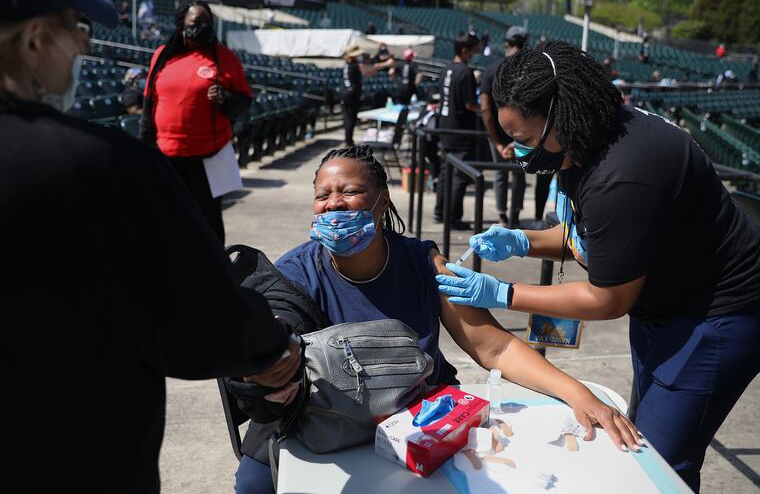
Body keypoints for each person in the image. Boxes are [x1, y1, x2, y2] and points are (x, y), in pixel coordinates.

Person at [0, 0, 300, 491]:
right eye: (76, 27)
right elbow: (199, 321)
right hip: (71, 456)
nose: (83, 45)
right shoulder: (104, 168)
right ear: (34, 41)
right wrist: (269, 348)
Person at [436, 41, 760, 492]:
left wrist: (504, 293)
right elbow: (591, 240)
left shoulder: (622, 174)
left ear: (561, 117)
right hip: (663, 304)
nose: (520, 153)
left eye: (526, 140)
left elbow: (608, 297)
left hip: (714, 317)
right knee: (638, 434)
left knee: (660, 465)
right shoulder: (583, 140)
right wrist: (522, 242)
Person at [234, 145, 642, 494]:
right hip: (324, 425)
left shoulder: (423, 262)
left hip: (420, 421)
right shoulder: (293, 275)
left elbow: (494, 346)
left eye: (351, 191)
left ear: (382, 203)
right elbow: (271, 335)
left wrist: (578, 395)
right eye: (323, 195)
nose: (334, 203)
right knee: (254, 483)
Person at [140, 0, 253, 244]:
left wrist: (225, 99)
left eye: (206, 24)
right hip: (167, 155)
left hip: (208, 157)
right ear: (181, 25)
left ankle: (211, 274)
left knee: (207, 221)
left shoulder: (225, 58)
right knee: (168, 217)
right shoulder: (163, 55)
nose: (201, 28)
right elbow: (149, 102)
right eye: (194, 24)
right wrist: (145, 144)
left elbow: (244, 101)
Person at [481, 26, 552, 229]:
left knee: (501, 175)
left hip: (500, 134)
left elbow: (485, 110)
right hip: (523, 134)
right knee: (519, 174)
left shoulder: (492, 68)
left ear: (506, 44)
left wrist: (496, 143)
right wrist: (521, 140)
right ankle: (514, 216)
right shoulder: (530, 69)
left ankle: (504, 216)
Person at [434, 31, 481, 230]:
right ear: (464, 50)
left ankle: (440, 212)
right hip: (461, 131)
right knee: (459, 177)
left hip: (445, 128)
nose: (475, 53)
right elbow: (470, 104)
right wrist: (486, 110)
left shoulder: (447, 69)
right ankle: (453, 217)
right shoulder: (465, 72)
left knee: (446, 173)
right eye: (473, 49)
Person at [339, 44, 393, 146]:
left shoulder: (347, 64)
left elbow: (368, 72)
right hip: (351, 94)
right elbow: (369, 68)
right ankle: (348, 141)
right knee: (351, 118)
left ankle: (348, 140)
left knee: (347, 117)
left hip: (344, 93)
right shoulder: (355, 64)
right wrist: (386, 63)